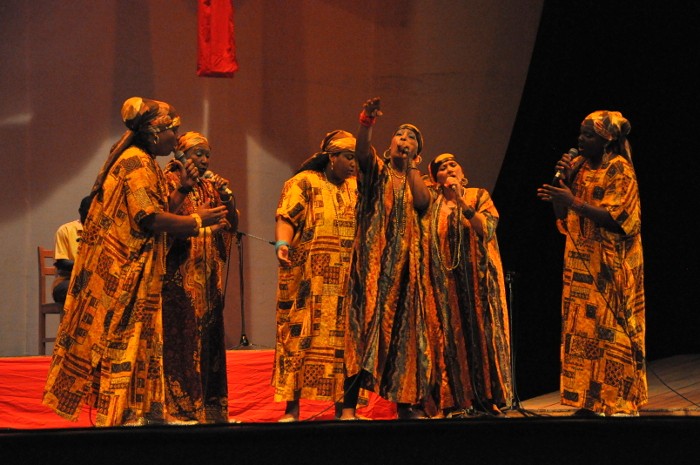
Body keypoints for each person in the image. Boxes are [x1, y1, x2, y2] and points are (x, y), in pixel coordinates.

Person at [42, 97, 228, 427]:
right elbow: (150, 219)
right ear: (155, 133)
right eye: (173, 131)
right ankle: (122, 418)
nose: (176, 139)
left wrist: (184, 189)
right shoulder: (136, 163)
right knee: (125, 343)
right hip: (124, 272)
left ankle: (146, 412)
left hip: (140, 273)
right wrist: (197, 221)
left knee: (144, 342)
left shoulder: (144, 161)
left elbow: (156, 210)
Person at [537, 110, 647, 416]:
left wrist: (572, 200)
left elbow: (619, 220)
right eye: (581, 133)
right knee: (582, 332)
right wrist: (561, 186)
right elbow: (563, 217)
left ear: (606, 140)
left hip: (612, 264)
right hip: (580, 263)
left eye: (588, 135)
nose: (580, 140)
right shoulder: (580, 167)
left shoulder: (619, 169)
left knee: (612, 332)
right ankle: (587, 400)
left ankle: (618, 400)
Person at [341, 97, 433, 420]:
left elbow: (423, 202)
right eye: (399, 135)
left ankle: (404, 406)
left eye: (411, 139)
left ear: (417, 153)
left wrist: (411, 167)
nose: (403, 140)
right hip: (371, 269)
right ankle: (348, 409)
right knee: (360, 333)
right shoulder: (378, 171)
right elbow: (362, 153)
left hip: (403, 274)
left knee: (403, 338)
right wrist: (366, 122)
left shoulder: (415, 180)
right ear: (390, 142)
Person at [272, 130, 358, 422]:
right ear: (332, 157)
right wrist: (282, 243)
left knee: (345, 344)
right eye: (348, 157)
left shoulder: (356, 188)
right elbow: (286, 216)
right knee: (297, 336)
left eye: (356, 159)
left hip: (346, 280)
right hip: (309, 278)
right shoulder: (304, 182)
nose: (353, 164)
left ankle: (346, 409)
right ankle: (292, 410)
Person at [424, 153, 513, 416]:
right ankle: (458, 402)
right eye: (442, 167)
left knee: (484, 334)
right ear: (436, 179)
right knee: (452, 339)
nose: (449, 168)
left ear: (462, 172)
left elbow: (487, 228)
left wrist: (461, 201)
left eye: (453, 164)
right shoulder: (434, 205)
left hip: (480, 281)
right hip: (448, 285)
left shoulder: (478, 195)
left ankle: (489, 398)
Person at [161, 131, 239, 424]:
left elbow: (231, 225)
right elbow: (162, 219)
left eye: (207, 154)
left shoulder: (211, 186)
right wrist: (186, 196)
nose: (204, 160)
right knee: (181, 343)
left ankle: (211, 412)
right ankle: (180, 410)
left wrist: (228, 198)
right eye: (198, 154)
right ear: (182, 154)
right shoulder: (168, 180)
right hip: (178, 278)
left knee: (209, 344)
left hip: (207, 280)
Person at [52, 195, 92, 305]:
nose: (90, 217)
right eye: (88, 213)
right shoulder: (65, 230)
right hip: (68, 279)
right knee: (77, 290)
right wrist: (87, 265)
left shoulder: (104, 232)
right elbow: (62, 263)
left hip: (94, 281)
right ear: (80, 212)